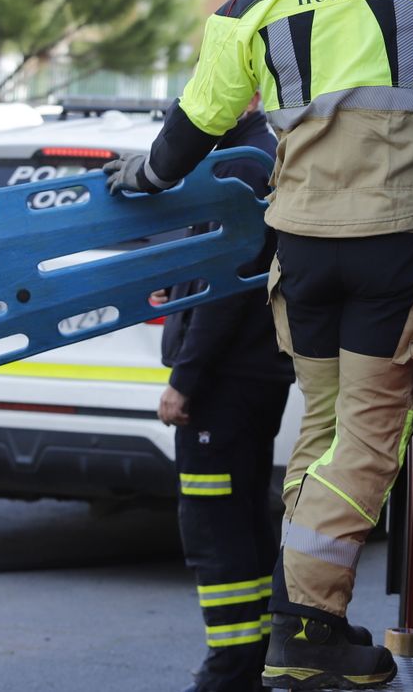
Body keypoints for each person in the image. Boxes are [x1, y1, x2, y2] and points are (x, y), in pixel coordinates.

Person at [105, 0, 413, 690]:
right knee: (369, 441)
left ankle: (305, 624)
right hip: (389, 248)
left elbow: (186, 137)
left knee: (327, 432)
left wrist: (140, 177)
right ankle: (304, 623)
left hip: (301, 258)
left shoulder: (246, 9)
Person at [159, 101, 293, 692]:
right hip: (252, 377)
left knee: (215, 527)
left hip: (224, 384)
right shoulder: (254, 155)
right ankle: (252, 661)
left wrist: (185, 380)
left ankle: (230, 668)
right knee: (244, 519)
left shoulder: (241, 165)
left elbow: (224, 291)